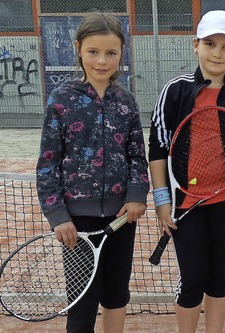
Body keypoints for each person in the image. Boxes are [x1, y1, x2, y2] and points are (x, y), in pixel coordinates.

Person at [35, 12, 149, 333]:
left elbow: (137, 156)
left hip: (121, 219)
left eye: (111, 53)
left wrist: (137, 195)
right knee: (82, 303)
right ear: (78, 49)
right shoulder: (61, 100)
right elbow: (47, 163)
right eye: (93, 52)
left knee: (116, 296)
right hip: (77, 225)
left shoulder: (126, 101)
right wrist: (58, 215)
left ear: (121, 54)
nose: (102, 61)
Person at [147, 10, 225, 333]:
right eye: (210, 43)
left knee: (218, 278)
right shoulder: (176, 91)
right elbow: (157, 149)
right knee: (192, 280)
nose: (217, 53)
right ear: (195, 45)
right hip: (185, 205)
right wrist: (162, 202)